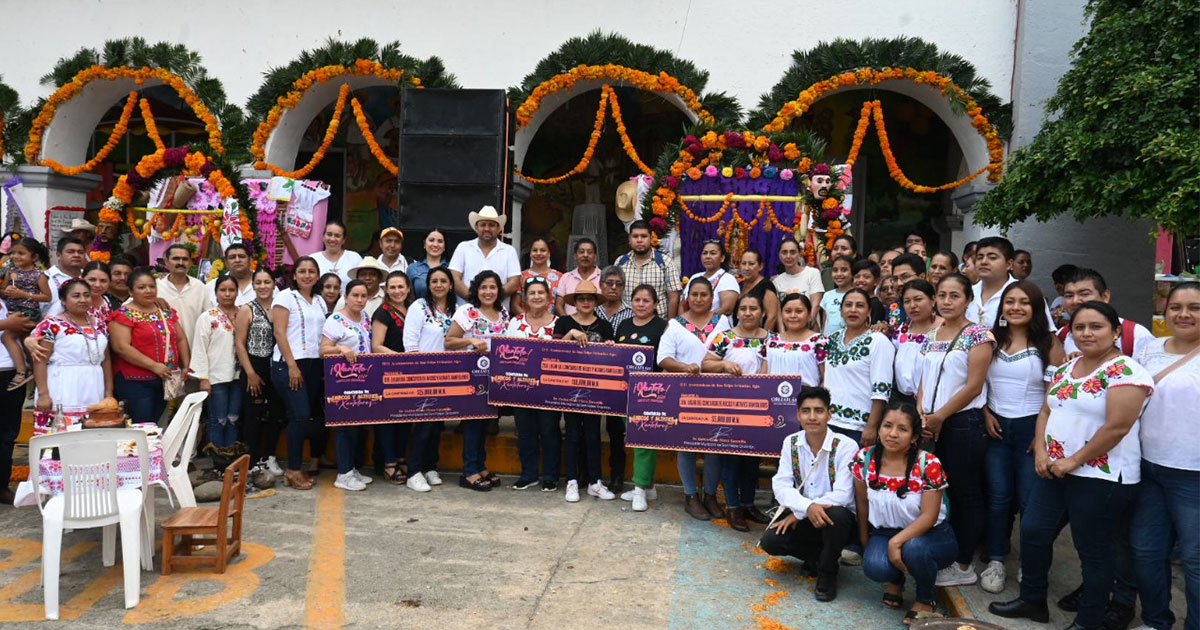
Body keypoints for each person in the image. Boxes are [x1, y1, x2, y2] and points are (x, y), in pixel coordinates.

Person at [990, 301, 1154, 629]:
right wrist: (1040, 451)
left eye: (1096, 327)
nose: (1086, 333)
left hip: (1101, 477)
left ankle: (1089, 620)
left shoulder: (1127, 371)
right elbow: (1047, 410)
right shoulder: (1067, 367)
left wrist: (1074, 460)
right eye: (1080, 327)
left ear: (1116, 331)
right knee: (1034, 531)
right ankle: (1033, 599)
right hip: (1053, 469)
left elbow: (1117, 427)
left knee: (1093, 550)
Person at [979, 280, 1064, 594]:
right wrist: (986, 413)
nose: (1015, 307)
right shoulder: (991, 339)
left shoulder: (1049, 344)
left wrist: (1042, 435)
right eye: (1009, 301)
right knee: (999, 499)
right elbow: (978, 382)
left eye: (1024, 302)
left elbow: (1055, 394)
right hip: (996, 428)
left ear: (1036, 308)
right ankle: (997, 559)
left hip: (1032, 429)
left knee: (1031, 502)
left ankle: (1031, 563)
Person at [915, 273, 995, 588]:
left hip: (962, 423)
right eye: (942, 295)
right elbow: (923, 378)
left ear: (968, 300)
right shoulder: (933, 333)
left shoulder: (979, 336)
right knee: (936, 490)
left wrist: (940, 416)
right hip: (931, 422)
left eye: (955, 296)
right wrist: (923, 411)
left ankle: (963, 563)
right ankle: (943, 552)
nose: (947, 302)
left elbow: (974, 386)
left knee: (966, 493)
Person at [1130, 282, 1199, 630]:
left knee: (1194, 559)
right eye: (1176, 307)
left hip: (1193, 473)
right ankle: (1157, 621)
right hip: (1148, 467)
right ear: (1165, 310)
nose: (1184, 314)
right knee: (1146, 550)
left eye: (1195, 307)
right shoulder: (1148, 347)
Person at [854, 403, 957, 625]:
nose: (892, 434)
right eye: (887, 426)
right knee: (874, 566)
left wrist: (896, 543)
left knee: (915, 549)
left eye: (902, 429)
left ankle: (925, 598)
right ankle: (896, 580)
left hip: (932, 535)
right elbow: (862, 503)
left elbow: (929, 517)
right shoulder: (864, 458)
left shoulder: (927, 463)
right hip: (884, 532)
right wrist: (865, 539)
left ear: (913, 437)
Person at [762, 386, 858, 602]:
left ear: (829, 414)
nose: (812, 417)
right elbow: (781, 485)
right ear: (798, 414)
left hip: (838, 523)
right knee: (771, 541)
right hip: (806, 515)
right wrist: (807, 508)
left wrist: (801, 511)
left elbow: (843, 494)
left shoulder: (845, 446)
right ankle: (817, 557)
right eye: (806, 411)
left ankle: (827, 573)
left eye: (819, 410)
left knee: (838, 514)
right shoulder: (791, 442)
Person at [658, 276, 728, 520]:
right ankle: (690, 495)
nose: (699, 299)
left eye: (704, 295)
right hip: (684, 392)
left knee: (714, 445)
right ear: (687, 298)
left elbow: (732, 350)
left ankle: (710, 494)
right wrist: (683, 367)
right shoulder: (675, 324)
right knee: (686, 445)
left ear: (712, 298)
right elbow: (663, 358)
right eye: (694, 294)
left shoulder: (723, 321)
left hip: (717, 393)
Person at [702, 293, 771, 532]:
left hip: (762, 409)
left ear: (762, 312)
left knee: (753, 459)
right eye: (743, 309)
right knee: (731, 458)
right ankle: (733, 507)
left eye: (754, 308)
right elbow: (705, 364)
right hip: (731, 409)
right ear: (737, 312)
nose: (748, 313)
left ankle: (748, 504)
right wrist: (723, 365)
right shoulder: (725, 337)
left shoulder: (772, 339)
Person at [555, 280, 618, 502]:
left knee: (593, 435)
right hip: (569, 389)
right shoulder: (563, 323)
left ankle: (595, 482)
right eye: (581, 298)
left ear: (595, 302)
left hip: (595, 391)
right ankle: (572, 481)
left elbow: (612, 359)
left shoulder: (604, 326)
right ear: (574, 301)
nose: (585, 302)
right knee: (572, 434)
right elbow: (554, 354)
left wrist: (611, 350)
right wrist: (570, 334)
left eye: (589, 298)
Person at [445, 270, 508, 491]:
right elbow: (449, 341)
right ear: (476, 290)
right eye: (483, 287)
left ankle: (480, 466)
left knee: (484, 424)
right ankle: (469, 472)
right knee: (472, 424)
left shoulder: (504, 314)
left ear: (498, 290)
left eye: (492, 287)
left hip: (494, 380)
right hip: (472, 379)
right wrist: (470, 339)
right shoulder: (467, 312)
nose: (488, 292)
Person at [271, 256, 328, 491]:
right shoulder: (286, 296)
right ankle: (293, 469)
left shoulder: (320, 301)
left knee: (307, 417)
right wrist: (292, 365)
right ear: (294, 275)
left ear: (317, 275)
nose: (307, 275)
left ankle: (296, 466)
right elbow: (279, 333)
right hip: (290, 364)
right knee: (300, 416)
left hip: (314, 364)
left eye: (311, 271)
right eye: (302, 271)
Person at [110, 268, 190, 424]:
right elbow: (121, 347)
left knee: (158, 424)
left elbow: (180, 338)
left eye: (152, 287)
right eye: (141, 287)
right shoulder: (124, 314)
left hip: (165, 380)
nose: (148, 291)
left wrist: (186, 365)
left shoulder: (165, 312)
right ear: (130, 291)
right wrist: (154, 366)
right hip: (135, 382)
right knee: (141, 426)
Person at [31, 279, 112, 433]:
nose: (82, 300)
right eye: (76, 296)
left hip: (94, 385)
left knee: (92, 434)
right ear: (63, 300)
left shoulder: (100, 324)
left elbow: (106, 359)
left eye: (86, 295)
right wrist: (43, 394)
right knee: (60, 439)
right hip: (62, 384)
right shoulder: (51, 324)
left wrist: (108, 392)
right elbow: (40, 361)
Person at [505, 275, 562, 493]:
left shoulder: (559, 324)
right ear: (525, 298)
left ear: (548, 297)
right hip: (521, 389)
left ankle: (550, 476)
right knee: (526, 432)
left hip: (549, 389)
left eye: (541, 293)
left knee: (549, 431)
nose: (536, 296)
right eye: (532, 293)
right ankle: (528, 474)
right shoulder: (515, 323)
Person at [615, 284, 668, 511]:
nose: (641, 304)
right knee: (635, 439)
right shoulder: (624, 325)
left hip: (651, 394)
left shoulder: (663, 326)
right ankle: (649, 486)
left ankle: (639, 490)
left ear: (655, 304)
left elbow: (666, 358)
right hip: (624, 392)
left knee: (643, 440)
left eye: (646, 301)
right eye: (637, 300)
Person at [401, 266, 455, 489]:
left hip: (448, 375)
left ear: (451, 285)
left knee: (437, 425)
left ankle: (430, 466)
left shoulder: (457, 310)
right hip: (423, 373)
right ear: (428, 285)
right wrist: (416, 371)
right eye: (434, 281)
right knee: (423, 426)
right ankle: (414, 471)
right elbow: (410, 341)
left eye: (443, 281)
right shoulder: (419, 307)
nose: (439, 285)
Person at [320, 279, 375, 492]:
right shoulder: (335, 320)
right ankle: (343, 474)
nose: (359, 300)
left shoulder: (365, 318)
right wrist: (340, 349)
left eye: (363, 296)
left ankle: (351, 469)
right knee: (345, 427)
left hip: (363, 379)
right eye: (355, 295)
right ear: (346, 296)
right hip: (343, 381)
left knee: (357, 427)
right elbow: (323, 350)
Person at [825, 288, 895, 445]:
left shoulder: (878, 341)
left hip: (859, 426)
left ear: (869, 311)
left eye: (860, 305)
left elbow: (882, 389)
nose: (853, 310)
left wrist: (872, 426)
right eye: (848, 305)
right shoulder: (832, 340)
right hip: (829, 422)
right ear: (841, 310)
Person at [234, 267, 285, 477]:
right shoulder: (247, 309)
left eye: (267, 282)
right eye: (258, 283)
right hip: (254, 365)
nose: (263, 286)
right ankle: (253, 460)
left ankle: (269, 456)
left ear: (274, 284)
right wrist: (250, 372)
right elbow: (239, 343)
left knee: (277, 413)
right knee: (253, 415)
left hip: (276, 366)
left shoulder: (281, 307)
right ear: (253, 285)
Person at [370, 271, 416, 488]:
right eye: (393, 287)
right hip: (388, 370)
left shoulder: (414, 310)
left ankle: (399, 457)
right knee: (388, 419)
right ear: (386, 290)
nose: (397, 291)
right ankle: (388, 462)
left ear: (408, 289)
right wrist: (400, 359)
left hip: (410, 373)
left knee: (405, 418)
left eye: (401, 287)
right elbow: (376, 345)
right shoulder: (383, 312)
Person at [191, 275, 243, 450]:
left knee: (233, 418)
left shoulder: (243, 313)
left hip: (239, 376)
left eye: (231, 290)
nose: (227, 294)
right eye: (223, 290)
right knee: (218, 419)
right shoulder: (208, 317)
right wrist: (203, 378)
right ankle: (218, 461)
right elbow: (199, 349)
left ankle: (230, 460)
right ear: (216, 293)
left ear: (237, 292)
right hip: (216, 376)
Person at [1060, 267, 1155, 358]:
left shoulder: (1136, 334)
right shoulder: (1062, 335)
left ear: (1105, 296)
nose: (1075, 301)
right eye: (1069, 296)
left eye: (1084, 294)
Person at [596, 265, 633, 490]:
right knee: (589, 428)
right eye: (609, 283)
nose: (613, 287)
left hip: (619, 382)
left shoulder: (631, 313)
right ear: (600, 286)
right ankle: (589, 475)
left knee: (616, 431)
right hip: (593, 379)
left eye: (618, 284)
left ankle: (617, 476)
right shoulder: (592, 311)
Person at [966, 236, 1052, 330]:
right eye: (979, 257)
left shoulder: (1027, 293)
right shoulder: (967, 292)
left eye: (992, 258)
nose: (984, 262)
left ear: (1009, 264)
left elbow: (1047, 332)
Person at [1, 238, 51, 389]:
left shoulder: (39, 275)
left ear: (34, 257)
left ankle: (22, 371)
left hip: (29, 311)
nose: (15, 256)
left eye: (21, 253)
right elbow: (2, 290)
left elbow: (47, 296)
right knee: (24, 341)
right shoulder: (11, 271)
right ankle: (35, 375)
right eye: (13, 253)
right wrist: (6, 291)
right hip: (13, 310)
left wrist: (24, 295)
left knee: (7, 336)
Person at [448, 205, 521, 305]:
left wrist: (492, 299)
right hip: (466, 313)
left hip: (498, 315)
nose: (487, 228)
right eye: (483, 224)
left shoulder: (509, 251)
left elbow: (514, 282)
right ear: (476, 227)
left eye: (491, 225)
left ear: (498, 228)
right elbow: (454, 278)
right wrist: (474, 299)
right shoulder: (463, 247)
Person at [0, 304, 33, 504]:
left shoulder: (5, 297)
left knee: (8, 433)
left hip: (11, 374)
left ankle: (2, 485)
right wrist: (8, 323)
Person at [616, 220, 681, 318]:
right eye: (635, 236)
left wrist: (669, 325)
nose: (639, 240)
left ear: (651, 238)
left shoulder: (664, 262)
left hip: (658, 324)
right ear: (629, 239)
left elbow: (674, 296)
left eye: (643, 236)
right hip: (627, 324)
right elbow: (615, 295)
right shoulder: (620, 263)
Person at [891, 280, 940, 408]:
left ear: (933, 300)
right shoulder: (903, 328)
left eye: (918, 299)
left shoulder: (944, 328)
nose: (912, 306)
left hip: (934, 401)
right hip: (902, 399)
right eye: (907, 301)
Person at [156, 243, 212, 348]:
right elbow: (130, 307)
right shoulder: (155, 287)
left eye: (185, 259)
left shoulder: (200, 287)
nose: (181, 263)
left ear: (190, 262)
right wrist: (151, 300)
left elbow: (209, 320)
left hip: (194, 350)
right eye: (176, 259)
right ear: (166, 261)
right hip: (164, 351)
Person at [767, 293, 825, 387]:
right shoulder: (771, 341)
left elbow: (827, 378)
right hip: (774, 398)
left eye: (799, 311)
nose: (793, 315)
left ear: (809, 315)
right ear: (781, 314)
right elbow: (763, 376)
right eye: (788, 311)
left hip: (807, 398)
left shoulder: (819, 341)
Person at [684, 239, 739, 316]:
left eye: (713, 253)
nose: (708, 257)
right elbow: (683, 304)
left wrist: (700, 319)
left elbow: (727, 309)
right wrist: (683, 322)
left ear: (722, 258)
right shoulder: (695, 277)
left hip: (716, 326)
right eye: (705, 253)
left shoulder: (728, 279)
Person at [773, 237, 824, 308]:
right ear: (779, 255)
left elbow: (816, 305)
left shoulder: (812, 273)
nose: (788, 256)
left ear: (800, 254)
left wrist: (810, 319)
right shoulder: (776, 282)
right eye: (784, 252)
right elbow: (778, 311)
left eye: (792, 252)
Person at [41, 236, 86, 318]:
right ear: (58, 255)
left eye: (80, 252)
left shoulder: (88, 277)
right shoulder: (45, 278)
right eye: (70, 252)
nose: (76, 255)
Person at [554, 238, 600, 316]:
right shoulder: (566, 277)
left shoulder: (603, 277)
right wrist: (568, 323)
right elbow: (559, 304)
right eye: (581, 252)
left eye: (589, 252)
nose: (585, 255)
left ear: (595, 256)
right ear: (575, 256)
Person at [311, 220, 364, 286]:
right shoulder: (313, 259)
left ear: (343, 240)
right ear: (323, 237)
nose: (332, 239)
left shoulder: (354, 258)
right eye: (329, 234)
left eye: (337, 236)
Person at [739, 250, 780, 331]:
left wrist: (762, 340)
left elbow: (772, 317)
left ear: (760, 266)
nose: (747, 268)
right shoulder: (740, 285)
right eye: (744, 264)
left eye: (751, 264)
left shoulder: (766, 285)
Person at [884, 253, 927, 330]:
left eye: (905, 277)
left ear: (921, 277)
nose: (899, 283)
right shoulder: (892, 307)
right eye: (895, 279)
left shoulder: (934, 304)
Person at [520, 237, 560, 312]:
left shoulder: (559, 277)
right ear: (530, 254)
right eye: (535, 250)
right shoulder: (521, 277)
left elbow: (560, 305)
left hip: (552, 322)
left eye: (542, 250)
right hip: (526, 322)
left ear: (548, 254)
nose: (538, 253)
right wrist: (527, 320)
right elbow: (515, 304)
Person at [406, 229, 448, 300]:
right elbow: (408, 297)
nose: (435, 244)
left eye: (440, 241)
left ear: (444, 246)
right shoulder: (412, 268)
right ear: (424, 244)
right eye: (431, 240)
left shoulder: (452, 268)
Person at [820, 255, 854, 336]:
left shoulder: (857, 295)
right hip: (828, 341)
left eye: (844, 270)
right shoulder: (827, 295)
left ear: (852, 272)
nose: (839, 274)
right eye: (835, 270)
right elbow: (825, 320)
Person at [850, 259, 887, 324]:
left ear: (876, 281)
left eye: (866, 277)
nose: (860, 280)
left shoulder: (876, 304)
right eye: (857, 277)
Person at [1049, 263, 1078, 330]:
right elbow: (1051, 319)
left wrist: (1059, 321)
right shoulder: (1060, 300)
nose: (1058, 286)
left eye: (1061, 282)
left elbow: (1082, 325)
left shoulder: (1081, 301)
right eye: (1055, 283)